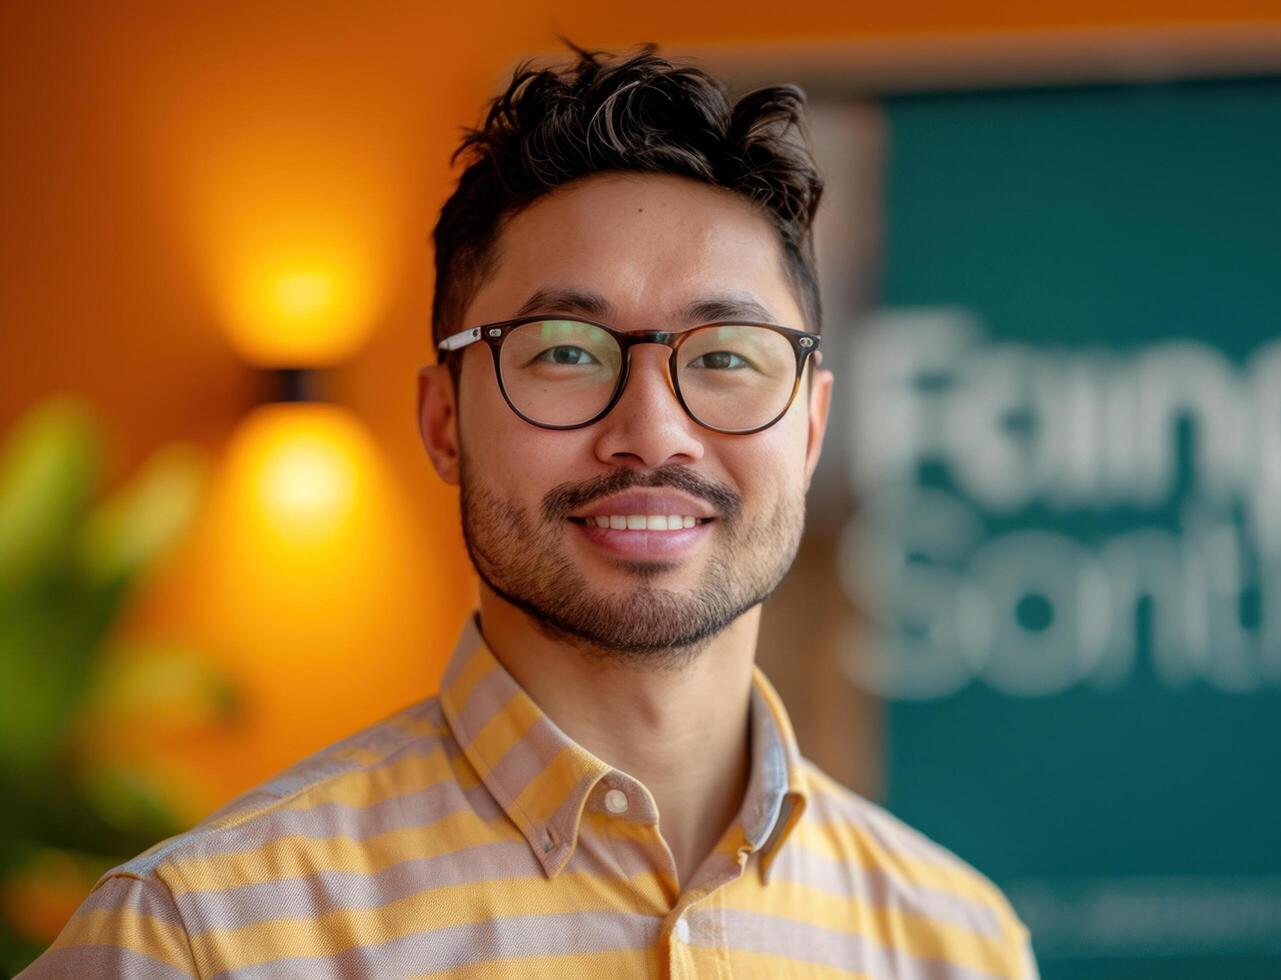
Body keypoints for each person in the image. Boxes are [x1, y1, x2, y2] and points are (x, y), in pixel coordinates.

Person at [22, 43, 1038, 979]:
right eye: (562, 350)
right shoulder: (193, 939)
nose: (652, 430)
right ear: (443, 421)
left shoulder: (955, 942)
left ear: (810, 430)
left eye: (725, 357)